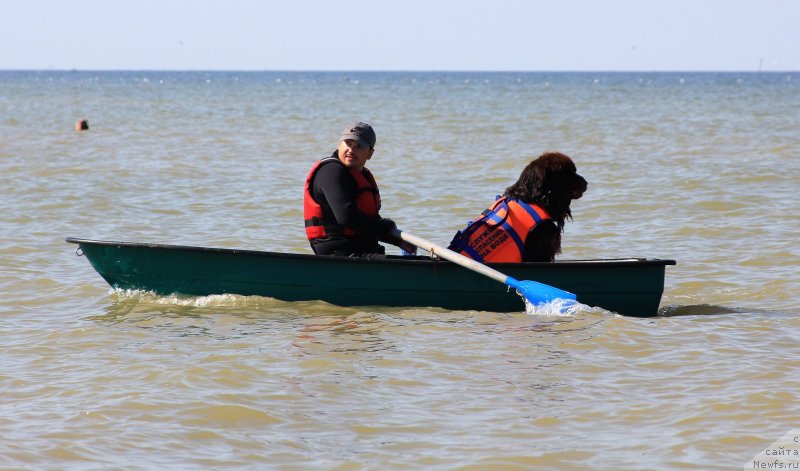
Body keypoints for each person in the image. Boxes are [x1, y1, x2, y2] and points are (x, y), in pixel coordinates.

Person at [448, 152, 587, 263]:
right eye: (569, 175)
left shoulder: (511, 207)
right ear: (550, 184)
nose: (582, 181)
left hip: (457, 265)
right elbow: (540, 275)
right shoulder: (540, 227)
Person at [303, 121, 415, 257]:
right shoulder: (331, 172)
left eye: (359, 146)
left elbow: (367, 223)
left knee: (421, 260)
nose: (351, 150)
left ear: (370, 153)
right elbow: (347, 218)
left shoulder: (361, 176)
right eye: (348, 143)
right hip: (339, 253)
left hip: (360, 250)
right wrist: (386, 226)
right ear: (339, 145)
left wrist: (397, 240)